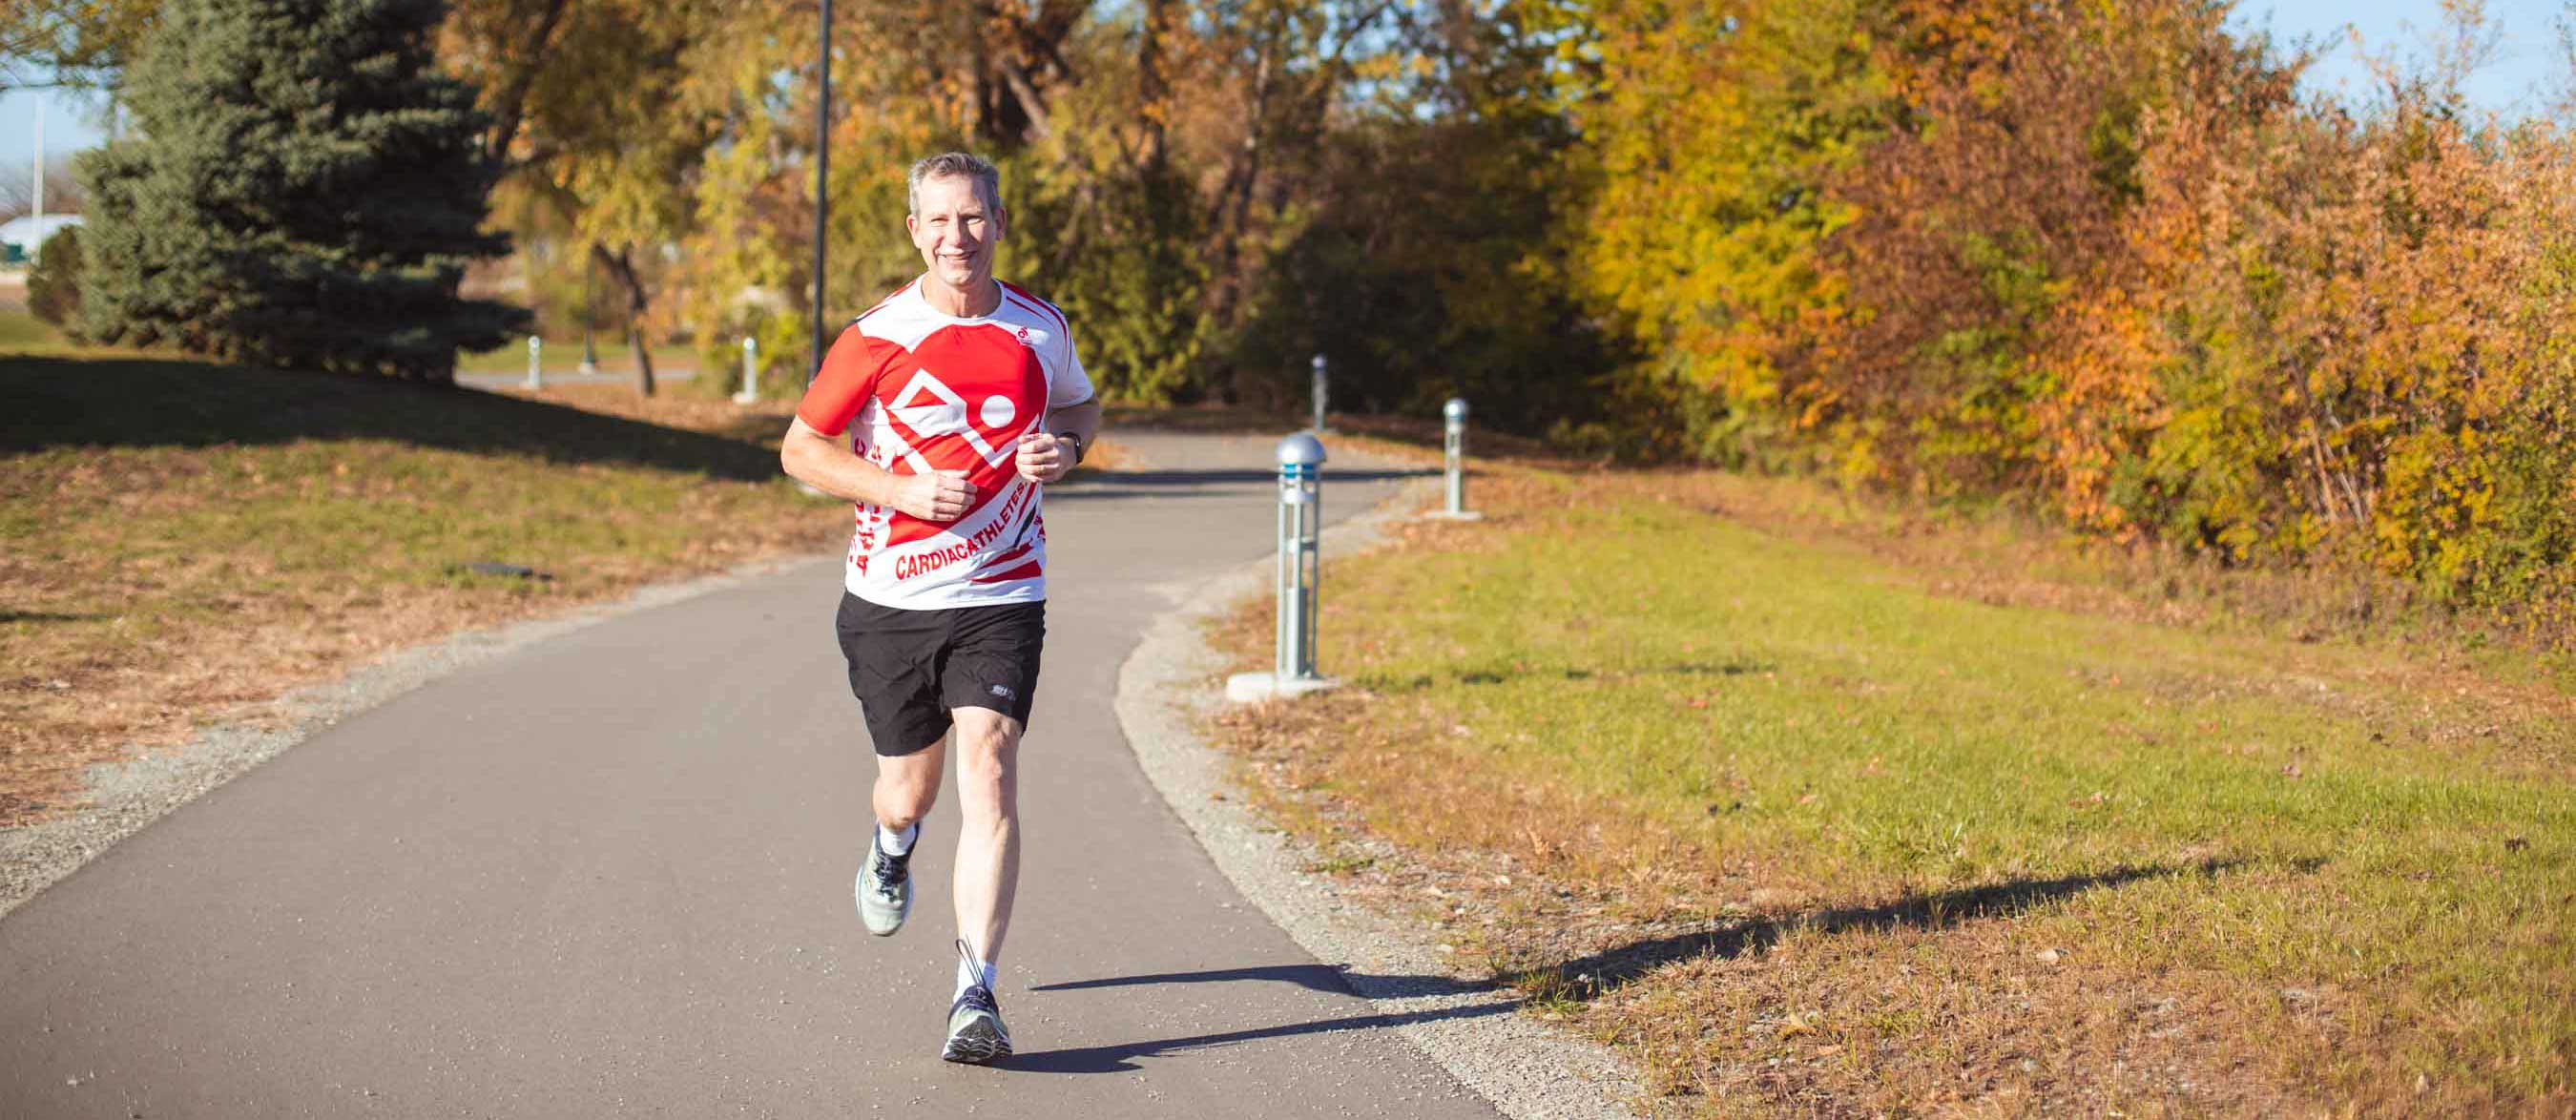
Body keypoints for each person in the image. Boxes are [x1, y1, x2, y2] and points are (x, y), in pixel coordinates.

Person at [779, 151, 1101, 1065]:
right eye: (940, 221)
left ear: (998, 222)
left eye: (974, 218)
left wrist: (1066, 454)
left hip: (1003, 590)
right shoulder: (877, 335)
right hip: (891, 600)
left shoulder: (1042, 327)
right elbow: (803, 449)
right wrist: (901, 489)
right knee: (908, 787)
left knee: (991, 765)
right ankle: (891, 843)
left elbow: (1080, 410)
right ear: (914, 230)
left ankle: (976, 993)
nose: (957, 237)